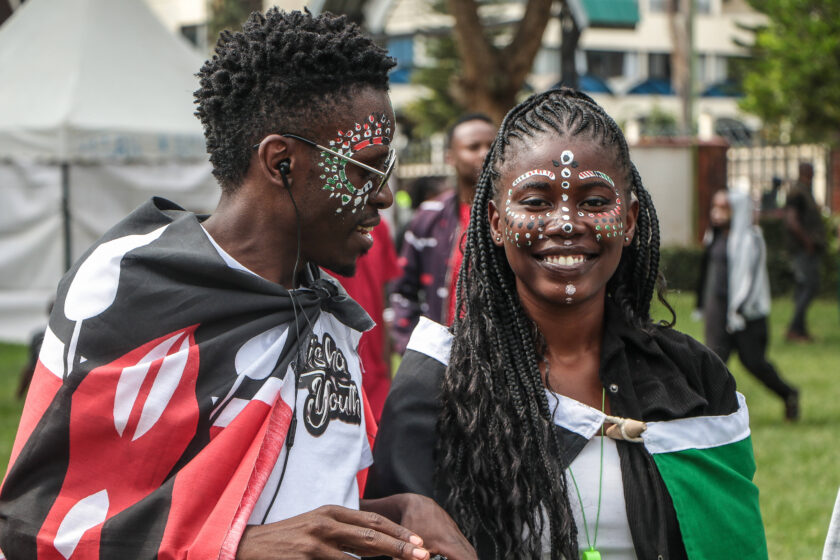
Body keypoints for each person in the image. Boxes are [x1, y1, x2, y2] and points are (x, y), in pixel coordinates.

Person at [0, 10, 474, 560]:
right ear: (282, 163)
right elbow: (35, 529)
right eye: (365, 170)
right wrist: (233, 549)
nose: (385, 196)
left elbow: (295, 507)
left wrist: (394, 513)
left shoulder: (327, 314)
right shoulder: (132, 289)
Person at [366, 88, 767, 559]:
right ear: (495, 222)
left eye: (595, 201)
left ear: (631, 219)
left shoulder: (691, 379)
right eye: (535, 202)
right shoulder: (438, 381)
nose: (566, 222)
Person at [390, 114, 496, 352]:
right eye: (473, 147)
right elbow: (402, 291)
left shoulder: (516, 217)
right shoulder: (429, 217)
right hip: (442, 357)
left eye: (492, 146)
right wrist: (413, 349)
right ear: (450, 157)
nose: (485, 154)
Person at [696, 189, 799, 421]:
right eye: (715, 207)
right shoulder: (714, 235)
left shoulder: (751, 239)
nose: (716, 213)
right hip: (718, 312)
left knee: (754, 363)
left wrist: (739, 310)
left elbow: (750, 281)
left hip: (746, 315)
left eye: (723, 208)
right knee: (713, 363)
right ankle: (711, 418)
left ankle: (789, 394)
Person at [334, 220, 401, 421]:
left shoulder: (378, 228)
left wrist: (388, 381)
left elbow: (380, 304)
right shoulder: (318, 231)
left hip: (377, 392)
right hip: (334, 393)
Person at [784, 162, 825, 341]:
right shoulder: (797, 193)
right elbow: (792, 221)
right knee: (808, 286)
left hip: (806, 249)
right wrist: (807, 242)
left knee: (806, 288)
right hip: (802, 250)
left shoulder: (804, 191)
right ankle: (795, 329)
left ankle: (800, 329)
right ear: (806, 172)